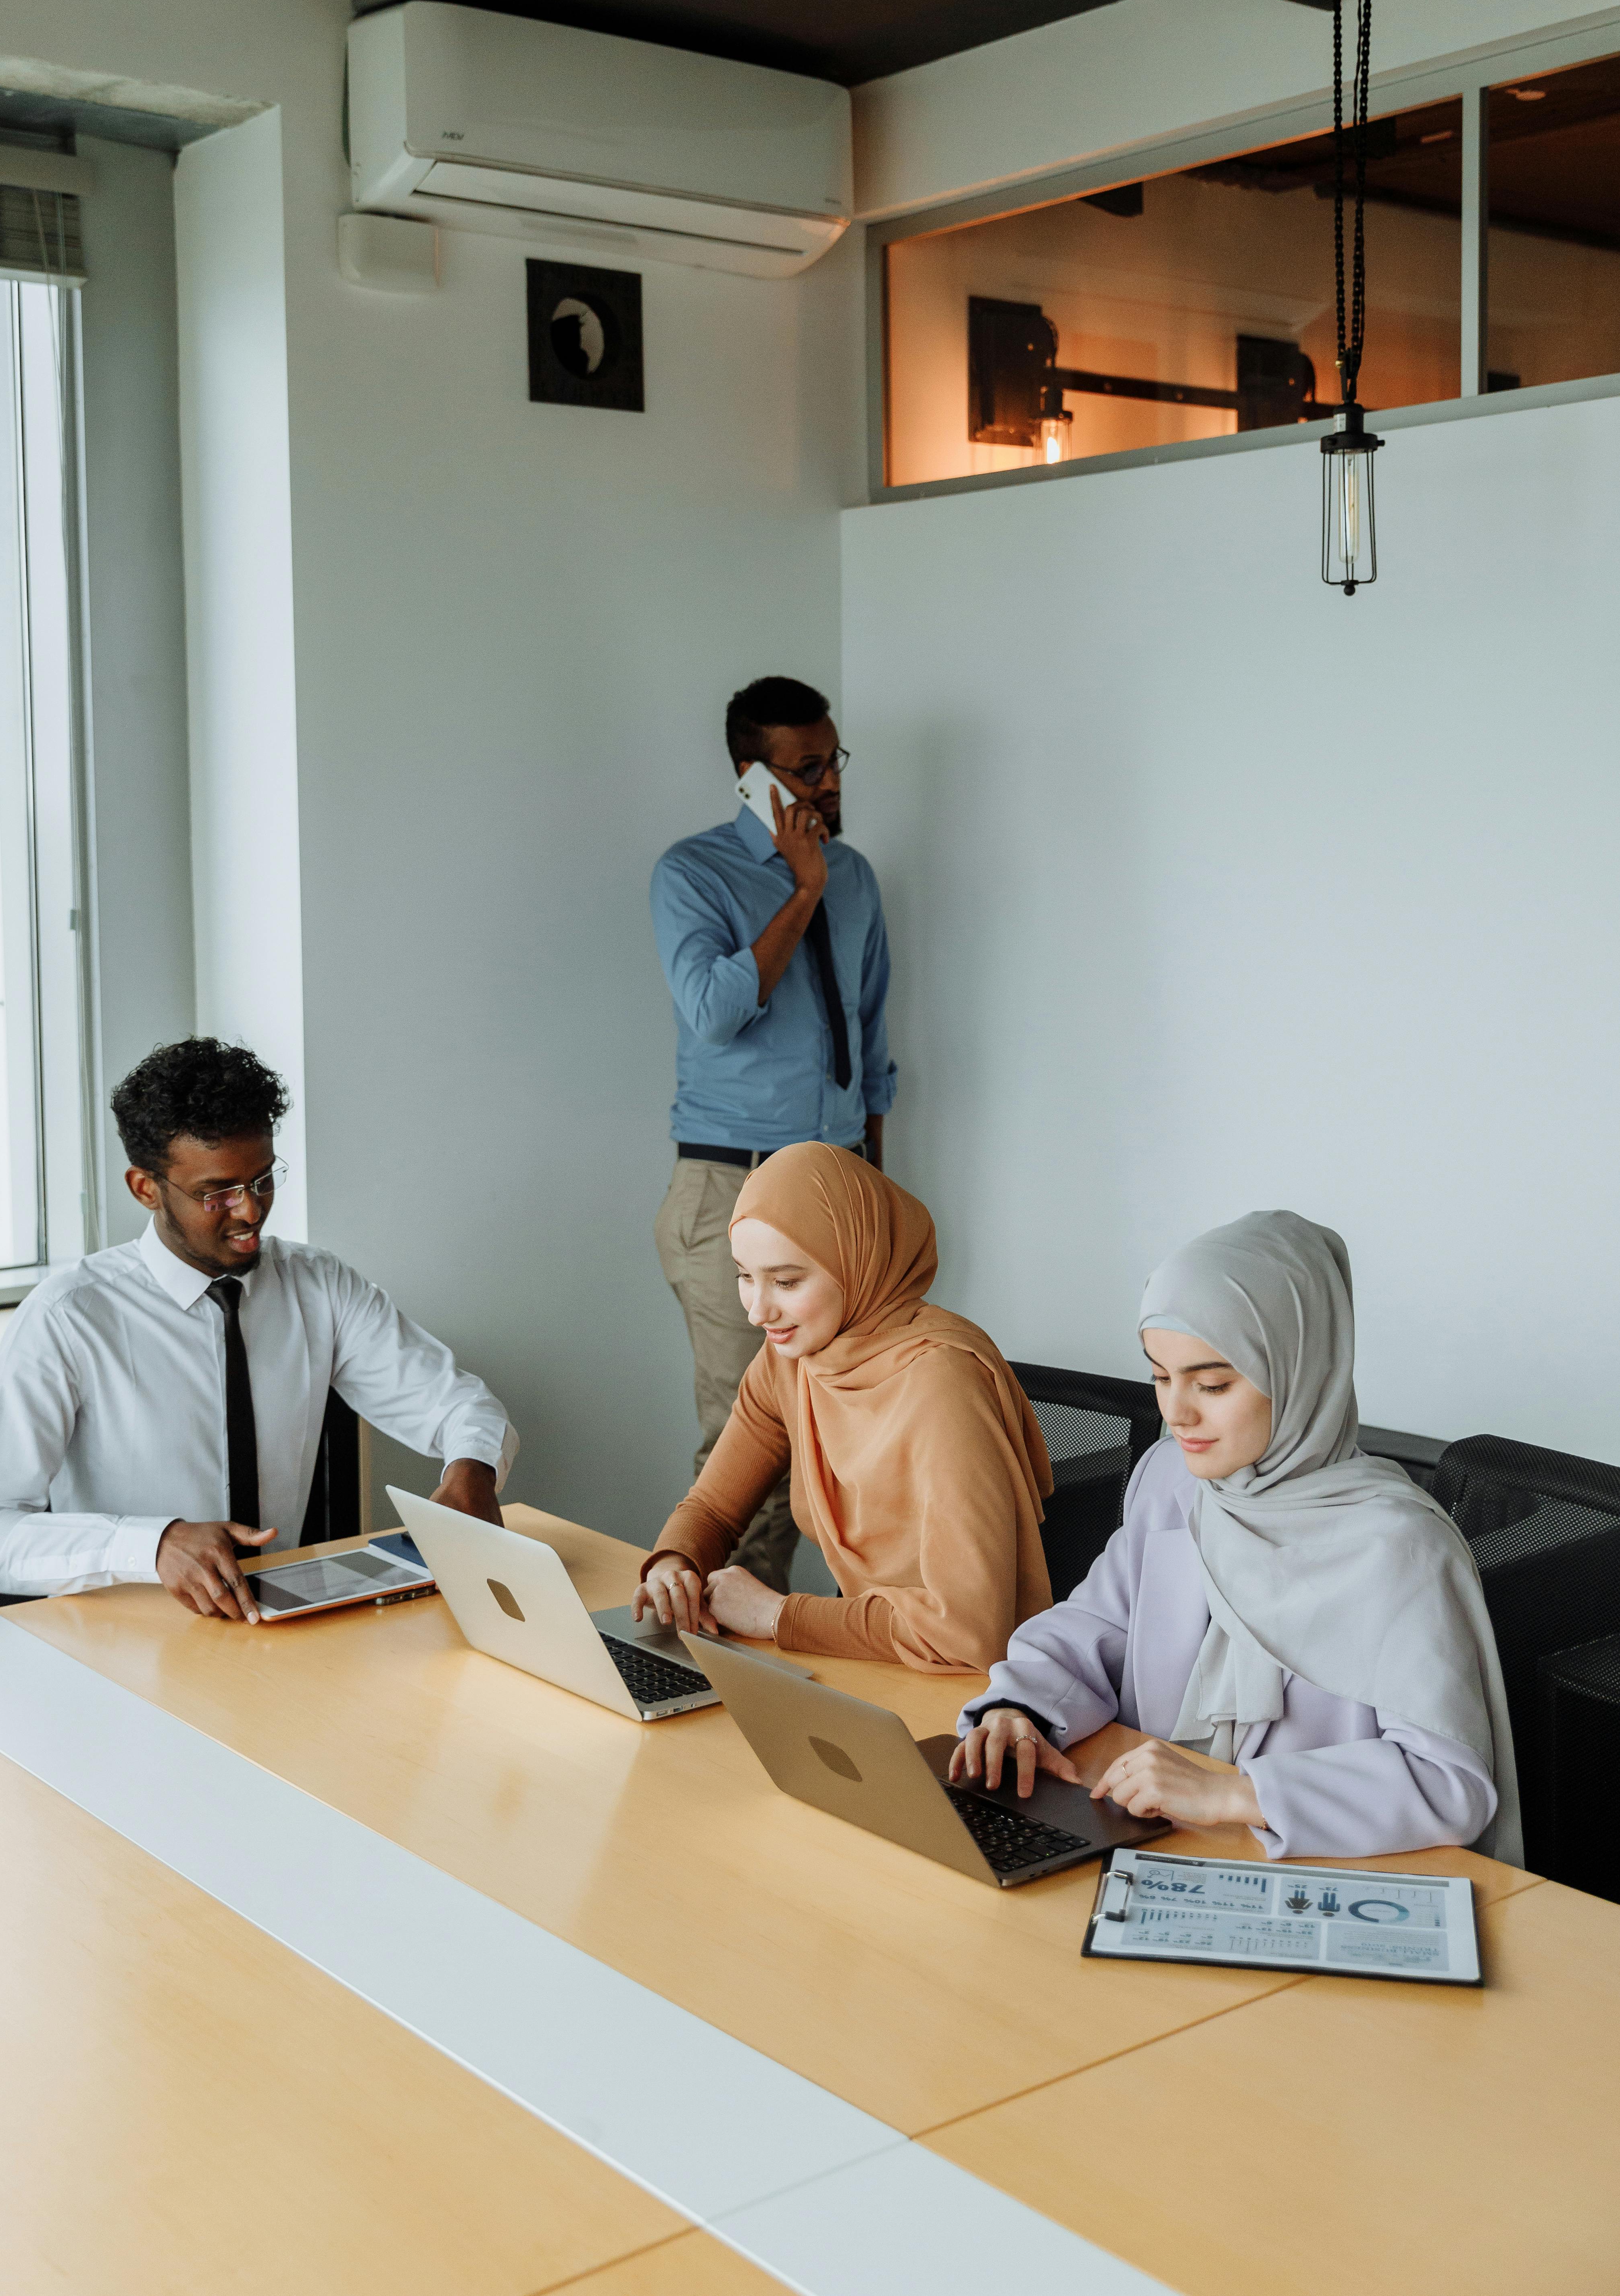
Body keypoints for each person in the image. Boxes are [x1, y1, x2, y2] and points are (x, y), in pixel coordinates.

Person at [952, 1210, 1522, 1864]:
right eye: (1161, 1378)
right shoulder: (1173, 1479)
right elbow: (1091, 1628)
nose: (1177, 1412)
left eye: (1214, 1383)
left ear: (1300, 1370)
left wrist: (1236, 1794)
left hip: (1315, 1873)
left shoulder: (1400, 1547)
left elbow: (1449, 1786)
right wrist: (1016, 1708)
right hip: (1152, 1840)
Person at [0, 1038, 518, 1621]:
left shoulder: (317, 1286)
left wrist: (471, 1470)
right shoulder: (69, 1316)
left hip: (283, 1628)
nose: (250, 1212)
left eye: (263, 1180)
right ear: (146, 1188)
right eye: (216, 1193)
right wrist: (154, 1545)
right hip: (124, 1644)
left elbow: (460, 1407)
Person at [650, 675, 896, 1594]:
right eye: (805, 768)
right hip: (734, 1191)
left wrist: (880, 1184)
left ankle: (832, 1653)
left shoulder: (861, 877)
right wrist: (802, 890)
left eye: (832, 760)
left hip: (842, 1188)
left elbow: (869, 1041)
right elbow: (714, 1012)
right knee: (747, 1449)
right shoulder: (692, 873)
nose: (828, 782)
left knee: (853, 1437)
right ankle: (714, 1665)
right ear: (750, 776)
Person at [632, 1142, 1052, 1672]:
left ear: (857, 1261)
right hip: (875, 1667)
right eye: (744, 1276)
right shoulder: (794, 1356)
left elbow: (968, 1634)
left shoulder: (942, 1382)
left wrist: (779, 1616)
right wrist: (675, 1564)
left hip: (981, 1694)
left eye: (786, 1281)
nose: (758, 1311)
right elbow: (715, 1507)